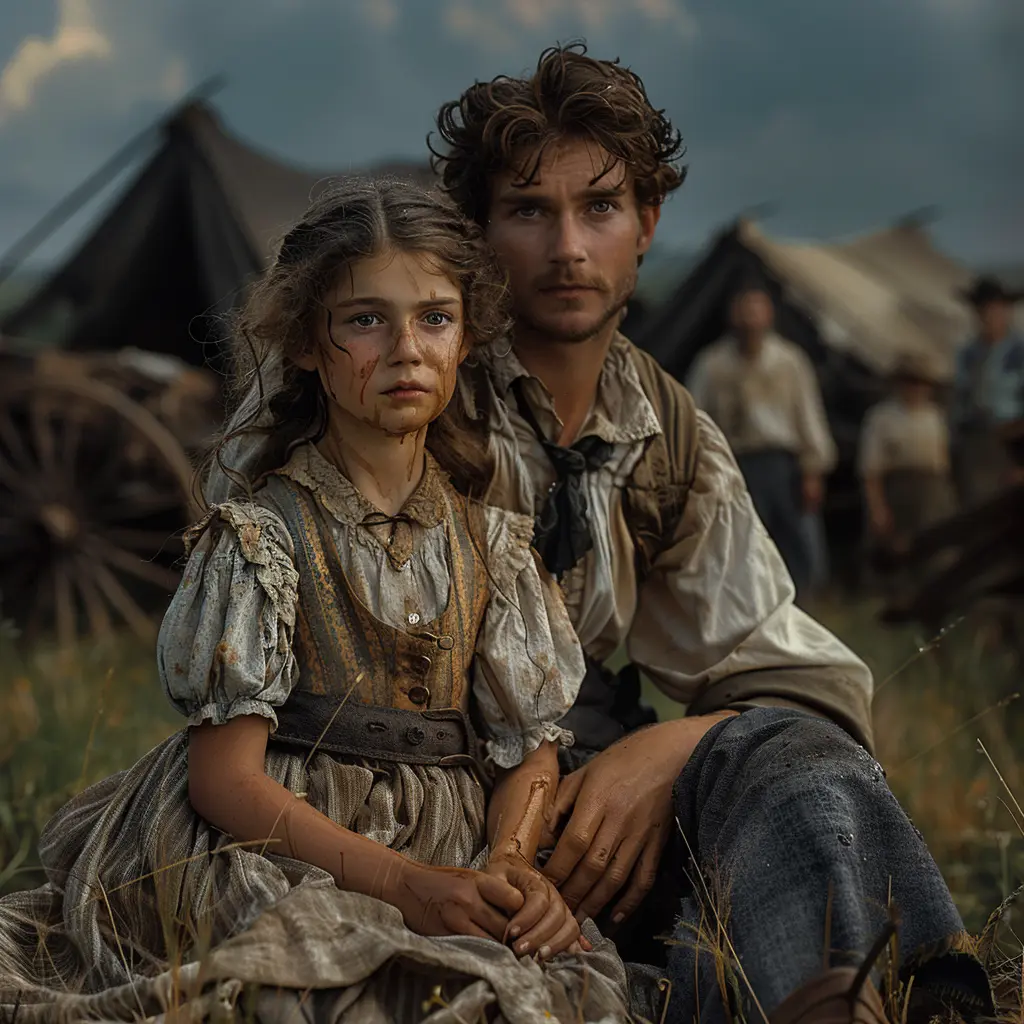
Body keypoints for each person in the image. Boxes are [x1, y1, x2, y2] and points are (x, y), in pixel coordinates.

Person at [434, 43, 995, 1024]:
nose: (567, 247)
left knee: (786, 752)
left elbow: (798, 674)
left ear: (647, 224)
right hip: (416, 779)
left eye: (599, 207)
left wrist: (668, 751)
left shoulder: (667, 433)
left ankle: (833, 1000)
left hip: (583, 795)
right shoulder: (416, 384)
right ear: (480, 233)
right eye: (528, 210)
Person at [0, 180, 633, 1023]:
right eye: (366, 320)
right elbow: (225, 780)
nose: (406, 350)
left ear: (468, 336)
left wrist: (511, 864)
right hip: (283, 841)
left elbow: (529, 751)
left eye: (434, 318)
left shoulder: (495, 549)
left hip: (451, 843)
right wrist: (401, 883)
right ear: (307, 343)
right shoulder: (262, 540)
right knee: (306, 986)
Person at [686, 275, 837, 598]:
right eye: (745, 310)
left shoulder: (788, 361)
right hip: (735, 462)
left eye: (757, 310)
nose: (751, 319)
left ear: (769, 315)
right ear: (733, 315)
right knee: (742, 541)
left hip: (782, 463)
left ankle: (801, 603)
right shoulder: (713, 364)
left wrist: (813, 468)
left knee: (793, 538)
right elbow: (695, 419)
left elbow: (807, 415)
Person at [858, 351, 957, 587]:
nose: (916, 389)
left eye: (921, 383)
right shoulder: (882, 418)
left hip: (932, 490)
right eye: (910, 382)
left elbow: (943, 460)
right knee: (896, 549)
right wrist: (877, 507)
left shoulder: (935, 417)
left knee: (935, 552)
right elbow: (870, 468)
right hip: (898, 489)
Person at [950, 275, 1024, 507]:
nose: (988, 316)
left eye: (994, 309)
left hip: (1013, 442)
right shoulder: (967, 354)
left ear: (1006, 311)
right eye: (982, 310)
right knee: (977, 511)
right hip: (975, 444)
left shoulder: (1019, 352)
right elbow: (960, 402)